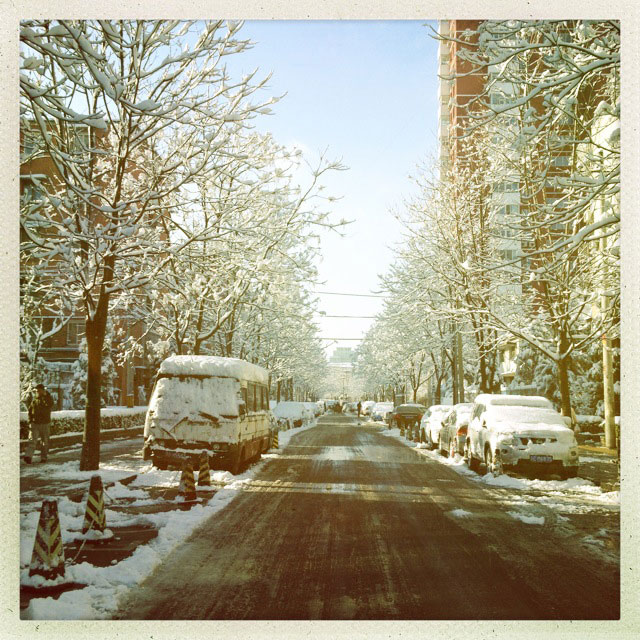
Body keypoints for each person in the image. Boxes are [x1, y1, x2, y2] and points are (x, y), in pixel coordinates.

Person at [25, 383, 54, 464]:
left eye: (39, 390)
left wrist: (45, 395)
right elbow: (30, 412)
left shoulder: (48, 398)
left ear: (43, 390)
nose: (37, 392)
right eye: (37, 391)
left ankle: (43, 458)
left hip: (45, 423)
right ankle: (28, 457)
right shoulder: (34, 401)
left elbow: (50, 404)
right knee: (32, 441)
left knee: (45, 442)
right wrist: (30, 421)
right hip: (35, 424)